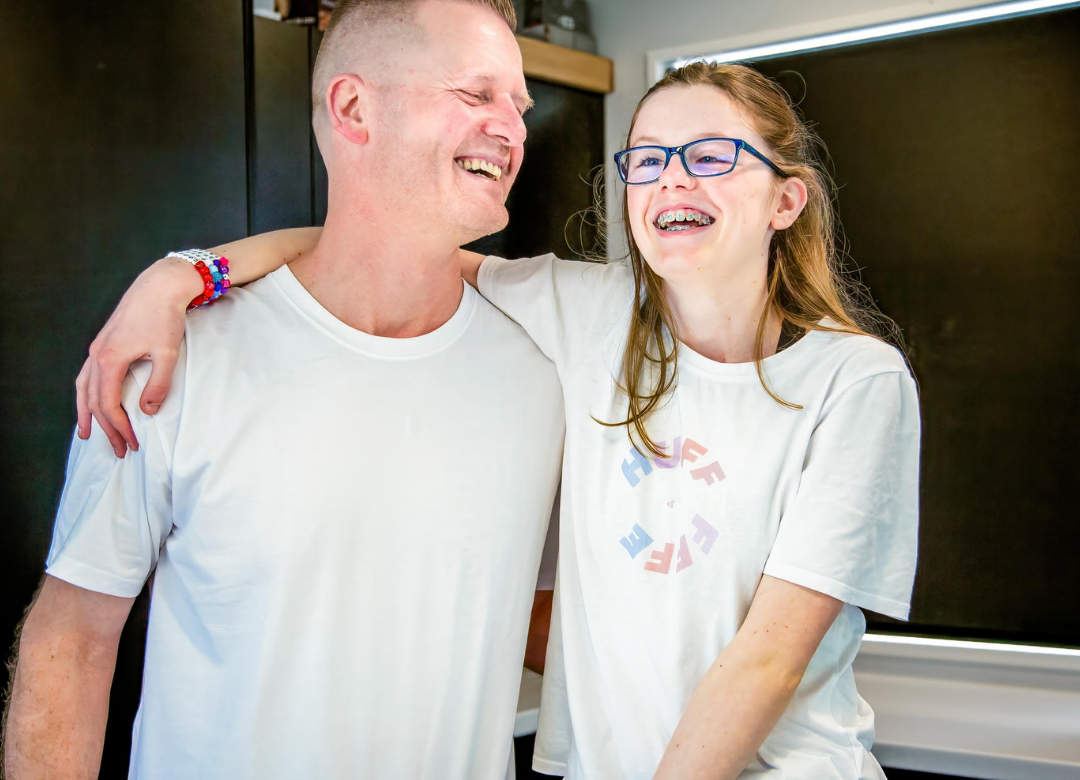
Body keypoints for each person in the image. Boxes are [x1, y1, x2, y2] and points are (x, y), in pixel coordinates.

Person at [61, 63, 921, 780]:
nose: (671, 180)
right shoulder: (592, 315)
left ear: (786, 202)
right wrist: (180, 278)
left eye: (710, 156)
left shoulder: (854, 379)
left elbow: (767, 658)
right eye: (647, 160)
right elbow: (368, 252)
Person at [2, 0, 566, 780]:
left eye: (518, 104)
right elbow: (73, 639)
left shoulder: (544, 371)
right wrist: (184, 277)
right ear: (353, 108)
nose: (512, 127)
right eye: (475, 94)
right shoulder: (172, 359)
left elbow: (543, 615)